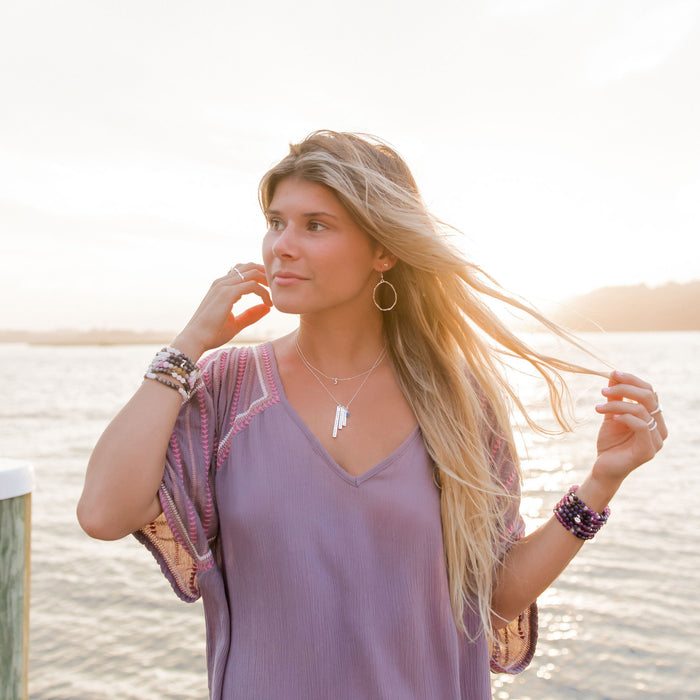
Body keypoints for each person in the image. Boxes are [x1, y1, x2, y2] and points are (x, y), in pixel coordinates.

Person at [77, 130, 667, 699]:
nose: (282, 244)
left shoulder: (457, 401)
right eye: (276, 222)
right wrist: (188, 345)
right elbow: (104, 512)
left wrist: (602, 481)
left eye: (316, 225)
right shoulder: (227, 386)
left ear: (383, 249)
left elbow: (495, 596)